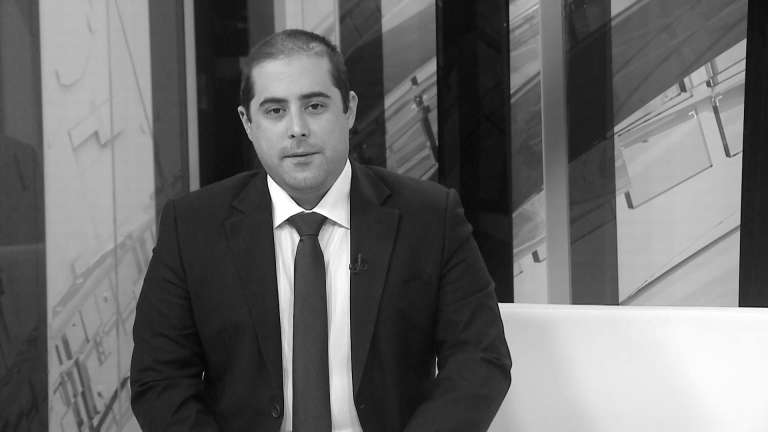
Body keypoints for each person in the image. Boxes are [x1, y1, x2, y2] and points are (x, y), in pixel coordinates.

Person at [130, 29, 511, 432]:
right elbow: (160, 380)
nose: (297, 129)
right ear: (247, 123)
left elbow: (480, 359)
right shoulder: (192, 228)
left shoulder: (430, 217)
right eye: (275, 111)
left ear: (349, 110)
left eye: (314, 106)